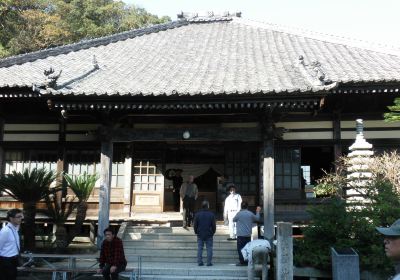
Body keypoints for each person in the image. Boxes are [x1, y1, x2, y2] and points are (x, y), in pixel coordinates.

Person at [233, 202, 261, 266]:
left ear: (241, 207)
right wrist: (258, 211)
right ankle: (247, 261)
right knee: (247, 248)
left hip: (240, 234)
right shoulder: (250, 214)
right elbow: (257, 218)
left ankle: (242, 261)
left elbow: (234, 220)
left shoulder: (239, 214)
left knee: (240, 248)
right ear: (247, 207)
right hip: (248, 234)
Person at [0, 208, 23, 280]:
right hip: (6, 261)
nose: (21, 219)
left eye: (21, 216)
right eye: (18, 217)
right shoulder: (5, 231)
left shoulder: (15, 228)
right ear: (11, 218)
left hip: (14, 260)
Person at [194, 200, 216, 266]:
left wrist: (196, 232)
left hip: (200, 233)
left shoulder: (197, 214)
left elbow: (195, 225)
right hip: (209, 233)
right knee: (209, 248)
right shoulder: (211, 214)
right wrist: (213, 232)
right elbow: (214, 226)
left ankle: (199, 262)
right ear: (208, 206)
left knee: (200, 248)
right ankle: (209, 262)